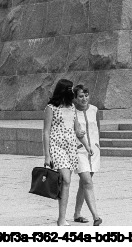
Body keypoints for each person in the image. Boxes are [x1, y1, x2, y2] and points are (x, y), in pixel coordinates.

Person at [42, 79, 84, 227]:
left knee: (66, 183)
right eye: (69, 89)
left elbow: (76, 127)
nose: (71, 92)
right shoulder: (51, 108)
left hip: (70, 147)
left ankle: (62, 217)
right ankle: (61, 218)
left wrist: (83, 137)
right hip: (56, 146)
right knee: (65, 179)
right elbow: (46, 131)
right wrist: (47, 155)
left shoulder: (72, 107)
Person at [71, 85, 102, 226]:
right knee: (87, 182)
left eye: (86, 95)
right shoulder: (71, 112)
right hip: (79, 151)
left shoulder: (94, 110)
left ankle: (77, 214)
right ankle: (96, 216)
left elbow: (97, 129)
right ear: (75, 98)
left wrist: (96, 145)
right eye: (81, 96)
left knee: (84, 184)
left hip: (93, 151)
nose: (84, 99)